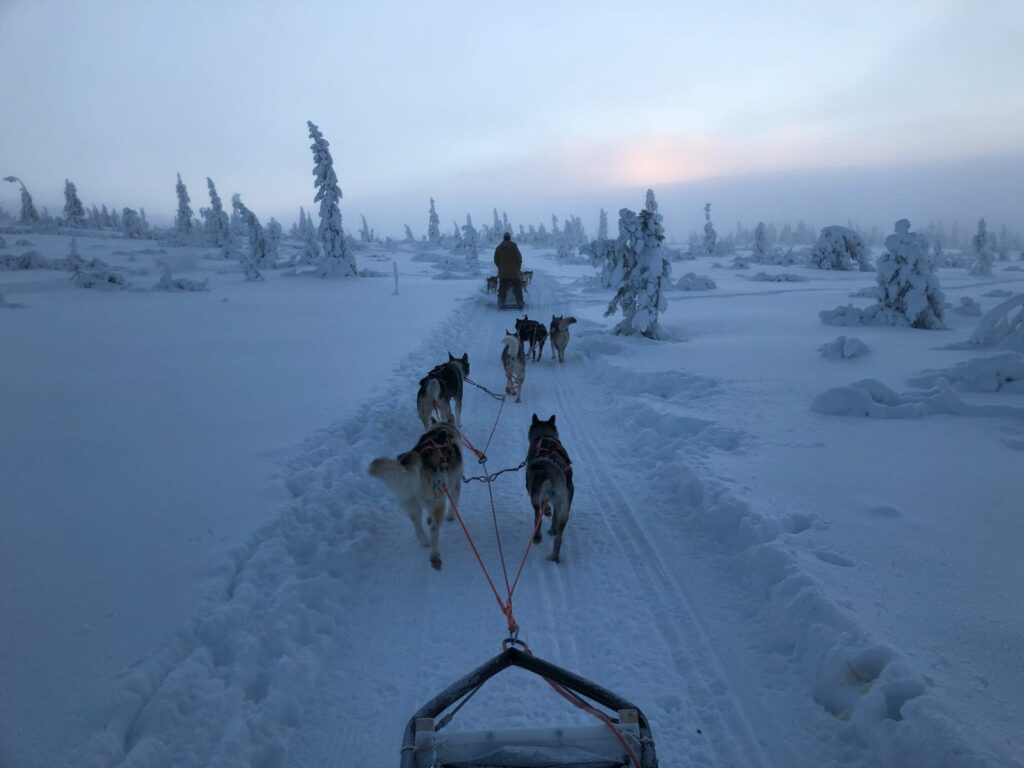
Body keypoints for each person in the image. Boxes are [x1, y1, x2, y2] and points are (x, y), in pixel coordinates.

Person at [493, 232, 524, 309]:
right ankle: (519, 302)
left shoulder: (499, 247)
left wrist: (500, 267)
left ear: (504, 238)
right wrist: (517, 269)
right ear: (510, 238)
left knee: (502, 287)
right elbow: (519, 259)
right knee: (518, 287)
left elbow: (496, 260)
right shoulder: (514, 247)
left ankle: (501, 302)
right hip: (514, 273)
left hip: (503, 274)